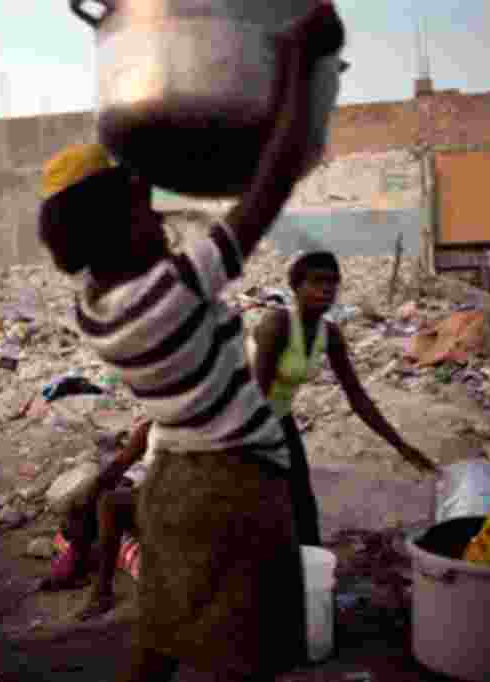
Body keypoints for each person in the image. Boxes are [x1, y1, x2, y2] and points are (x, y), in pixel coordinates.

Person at [38, 5, 347, 679]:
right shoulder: (173, 289)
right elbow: (275, 176)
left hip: (174, 480)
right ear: (117, 227)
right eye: (143, 211)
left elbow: (120, 207)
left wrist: (135, 134)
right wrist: (293, 60)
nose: (157, 215)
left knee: (163, 633)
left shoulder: (96, 306)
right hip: (233, 483)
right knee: (247, 648)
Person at [248, 251, 438, 547]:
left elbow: (357, 397)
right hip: (240, 418)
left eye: (332, 283)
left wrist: (402, 446)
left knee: (301, 501)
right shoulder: (278, 323)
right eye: (317, 281)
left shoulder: (329, 333)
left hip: (277, 416)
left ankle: (309, 572)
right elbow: (256, 397)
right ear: (296, 286)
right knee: (259, 500)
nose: (326, 289)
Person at [41, 419, 155, 621]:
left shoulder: (197, 433)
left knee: (110, 503)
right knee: (98, 492)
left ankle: (100, 589)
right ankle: (78, 554)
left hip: (179, 513)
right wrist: (87, 499)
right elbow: (117, 466)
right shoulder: (151, 429)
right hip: (156, 504)